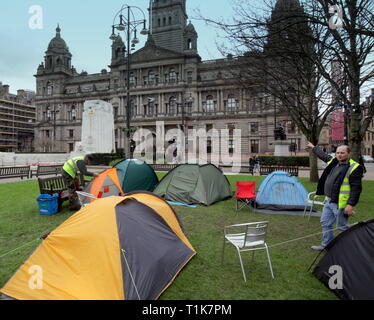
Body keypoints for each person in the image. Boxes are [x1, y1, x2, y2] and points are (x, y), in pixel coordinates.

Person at [307, 142, 363, 251]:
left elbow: (356, 188)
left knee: (342, 227)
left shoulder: (354, 167)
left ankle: (351, 249)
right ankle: (326, 245)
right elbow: (323, 155)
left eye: (342, 153)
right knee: (325, 223)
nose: (339, 155)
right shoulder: (334, 162)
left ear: (349, 154)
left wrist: (350, 205)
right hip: (328, 200)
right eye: (337, 153)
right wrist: (314, 148)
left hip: (340, 203)